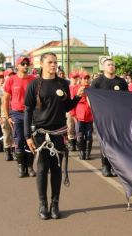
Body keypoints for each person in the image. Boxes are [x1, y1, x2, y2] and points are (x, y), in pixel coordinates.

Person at [24, 52, 84, 220]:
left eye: (55, 62)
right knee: (42, 169)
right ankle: (42, 204)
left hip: (58, 133)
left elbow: (66, 107)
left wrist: (78, 96)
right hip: (40, 134)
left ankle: (55, 203)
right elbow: (27, 111)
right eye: (50, 62)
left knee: (56, 169)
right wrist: (27, 136)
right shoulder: (34, 85)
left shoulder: (63, 84)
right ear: (41, 64)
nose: (53, 65)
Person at [91, 58, 128, 177]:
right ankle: (105, 166)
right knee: (105, 142)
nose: (111, 66)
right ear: (103, 67)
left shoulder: (121, 82)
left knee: (116, 142)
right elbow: (91, 98)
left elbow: (126, 99)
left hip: (117, 117)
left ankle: (114, 166)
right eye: (108, 65)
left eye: (113, 65)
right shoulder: (97, 82)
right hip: (102, 117)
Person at [4, 56, 36, 178]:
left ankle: (30, 166)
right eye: (22, 64)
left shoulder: (33, 80)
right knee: (19, 141)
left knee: (31, 141)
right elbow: (5, 99)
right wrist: (7, 116)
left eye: (27, 64)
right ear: (17, 66)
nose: (25, 66)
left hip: (31, 114)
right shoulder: (11, 80)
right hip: (17, 114)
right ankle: (21, 167)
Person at [71, 73, 94, 160]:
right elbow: (72, 103)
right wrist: (73, 115)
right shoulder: (76, 88)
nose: (86, 80)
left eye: (88, 78)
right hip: (79, 116)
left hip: (89, 116)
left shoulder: (92, 89)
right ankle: (81, 152)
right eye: (84, 78)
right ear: (81, 79)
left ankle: (87, 153)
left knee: (89, 136)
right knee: (79, 136)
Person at [0, 70, 15, 161]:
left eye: (12, 75)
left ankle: (15, 151)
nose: (11, 77)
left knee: (15, 134)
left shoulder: (15, 86)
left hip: (15, 113)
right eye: (9, 75)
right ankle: (8, 152)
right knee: (6, 134)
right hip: (4, 114)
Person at [66, 71, 80, 151]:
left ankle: (78, 142)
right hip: (70, 110)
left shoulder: (79, 87)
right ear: (70, 78)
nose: (75, 79)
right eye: (74, 78)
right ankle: (72, 143)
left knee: (78, 127)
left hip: (78, 110)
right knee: (70, 127)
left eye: (76, 77)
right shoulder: (67, 87)